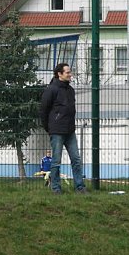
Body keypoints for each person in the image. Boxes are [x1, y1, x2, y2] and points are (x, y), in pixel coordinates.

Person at [39, 63, 88, 194]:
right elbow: (43, 110)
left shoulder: (70, 90)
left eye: (70, 72)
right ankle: (56, 188)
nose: (70, 74)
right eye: (67, 72)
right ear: (59, 74)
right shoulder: (51, 90)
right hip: (57, 131)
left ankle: (80, 187)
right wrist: (49, 128)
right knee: (56, 161)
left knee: (76, 159)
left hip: (70, 130)